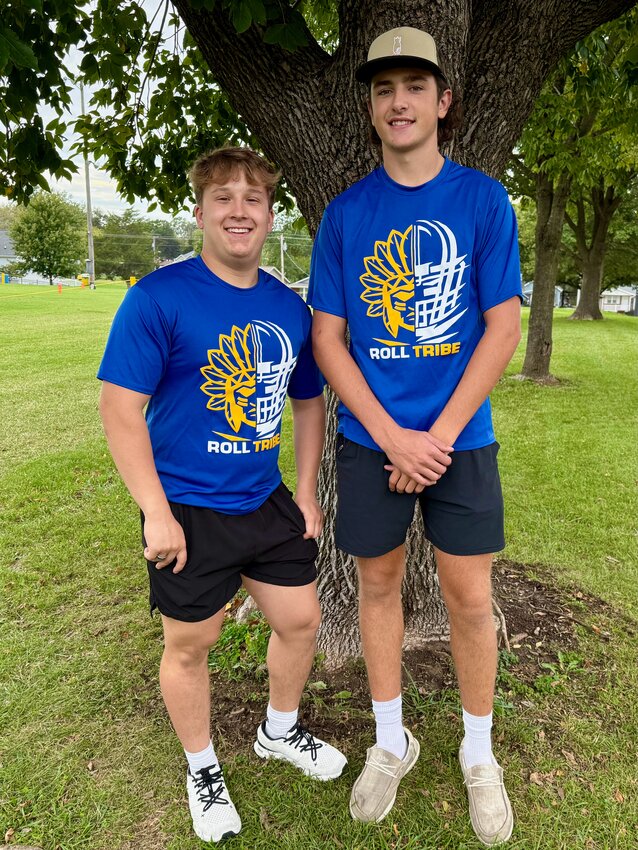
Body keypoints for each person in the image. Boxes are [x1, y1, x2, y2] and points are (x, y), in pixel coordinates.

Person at [309, 27, 521, 846]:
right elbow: (329, 338)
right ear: (373, 106)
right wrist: (393, 435)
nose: (397, 101)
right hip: (373, 442)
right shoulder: (348, 213)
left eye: (413, 86)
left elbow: (501, 328)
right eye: (383, 88)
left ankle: (478, 754)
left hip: (460, 440)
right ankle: (392, 741)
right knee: (378, 586)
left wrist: (432, 434)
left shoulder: (481, 202)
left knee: (469, 600)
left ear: (443, 102)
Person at [98, 147, 346, 844]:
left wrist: (304, 493)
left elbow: (306, 404)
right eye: (224, 198)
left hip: (262, 499)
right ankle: (202, 767)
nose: (240, 211)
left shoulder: (285, 307)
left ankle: (279, 731)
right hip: (185, 505)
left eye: (254, 199)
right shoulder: (158, 297)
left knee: (300, 621)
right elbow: (120, 410)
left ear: (271, 215)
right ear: (200, 211)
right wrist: (154, 511)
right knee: (192, 641)